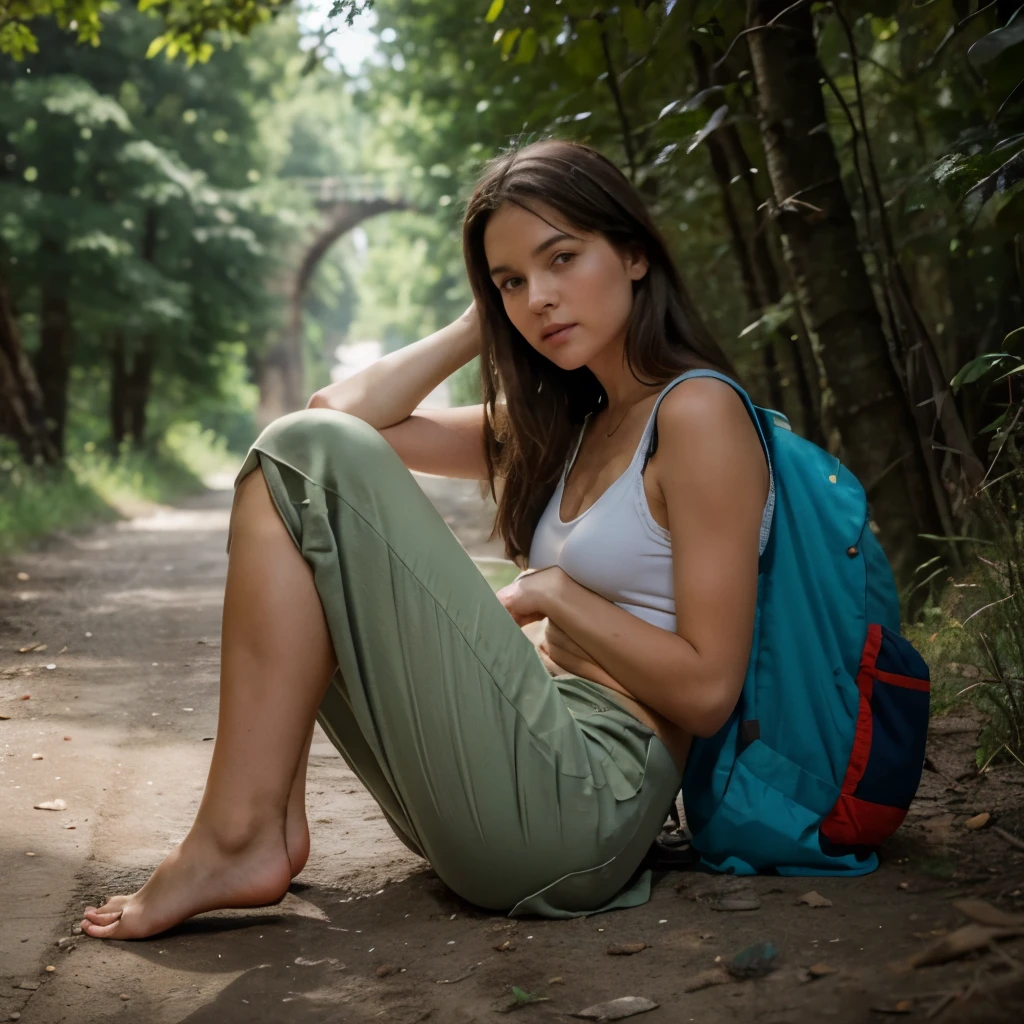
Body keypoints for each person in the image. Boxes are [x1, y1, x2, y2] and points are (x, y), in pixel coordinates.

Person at [80, 138, 769, 939]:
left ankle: (236, 835)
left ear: (637, 255)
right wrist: (483, 321)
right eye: (513, 280)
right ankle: (255, 824)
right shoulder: (566, 426)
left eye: (562, 259)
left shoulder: (698, 415)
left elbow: (709, 694)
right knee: (298, 473)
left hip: (584, 804)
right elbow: (329, 415)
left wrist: (555, 594)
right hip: (510, 769)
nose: (540, 297)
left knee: (307, 462)